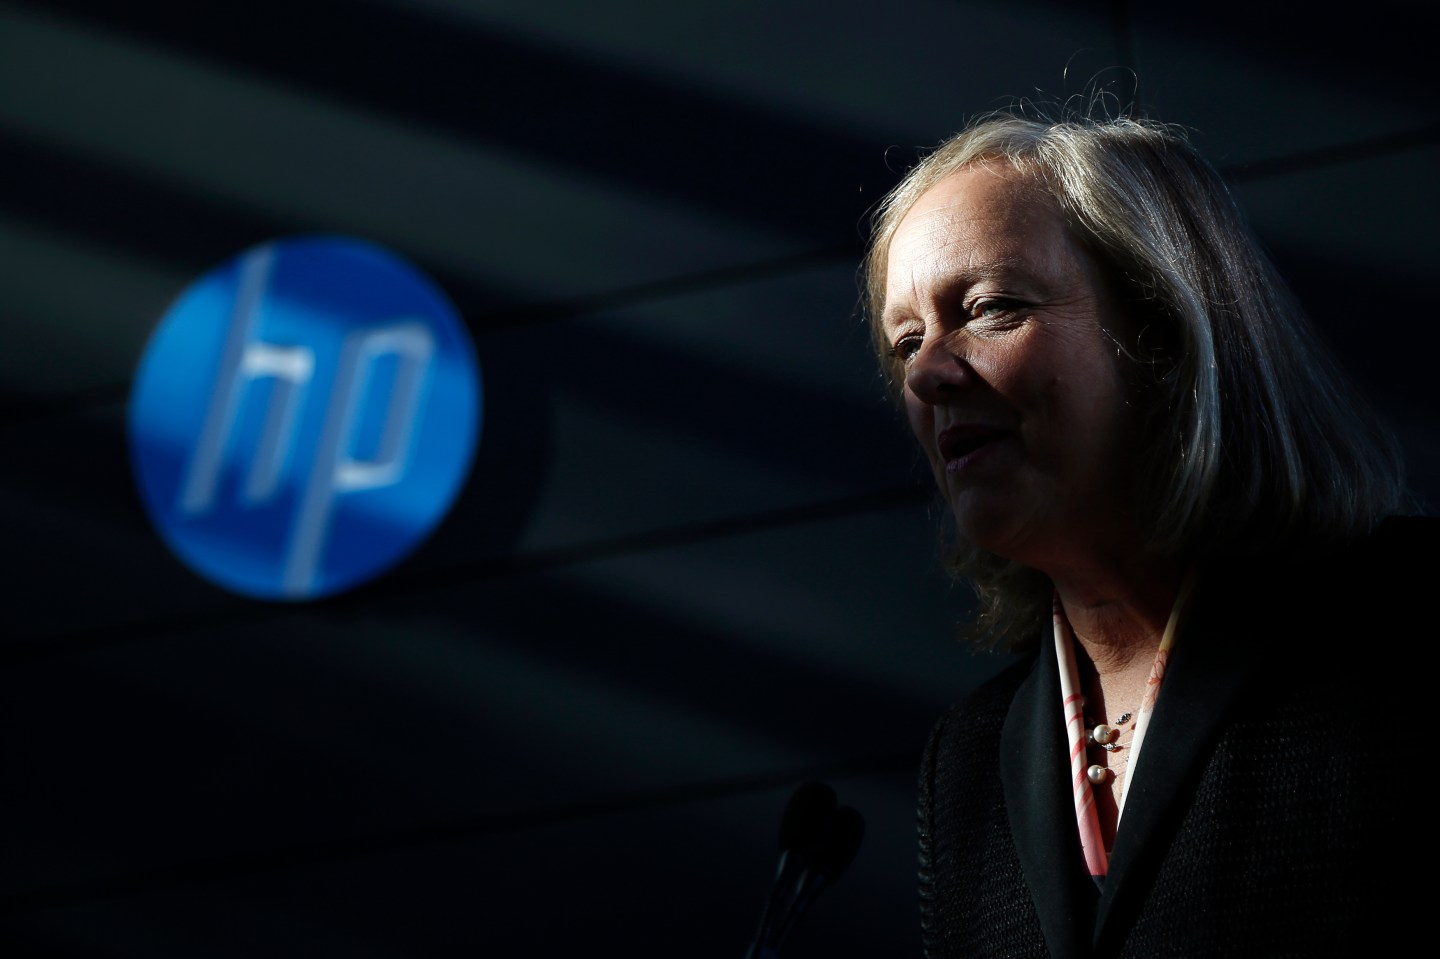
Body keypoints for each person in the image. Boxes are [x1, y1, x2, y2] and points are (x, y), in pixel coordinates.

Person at [862, 112, 1432, 958]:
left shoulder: (1401, 625)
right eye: (906, 341)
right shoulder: (970, 761)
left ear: (1163, 331)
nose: (928, 372)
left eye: (987, 308)